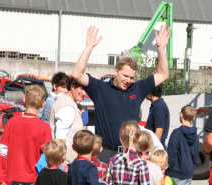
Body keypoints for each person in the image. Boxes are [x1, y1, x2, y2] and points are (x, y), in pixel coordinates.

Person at [72, 25, 171, 163]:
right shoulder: (100, 88)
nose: (128, 80)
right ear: (115, 71)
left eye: (131, 77)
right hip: (105, 153)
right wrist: (89, 47)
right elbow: (77, 74)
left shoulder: (138, 88)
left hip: (131, 154)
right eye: (125, 76)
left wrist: (161, 48)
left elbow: (163, 74)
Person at [166, 105, 199, 185]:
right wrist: (192, 167)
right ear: (194, 118)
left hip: (175, 172)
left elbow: (172, 153)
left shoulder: (177, 133)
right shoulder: (195, 135)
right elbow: (196, 154)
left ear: (181, 115)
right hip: (188, 173)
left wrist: (169, 167)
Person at [48, 76, 86, 163]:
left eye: (85, 90)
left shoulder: (66, 102)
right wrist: (63, 160)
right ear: (72, 87)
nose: (84, 93)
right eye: (81, 89)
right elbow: (61, 136)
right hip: (64, 161)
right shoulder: (67, 105)